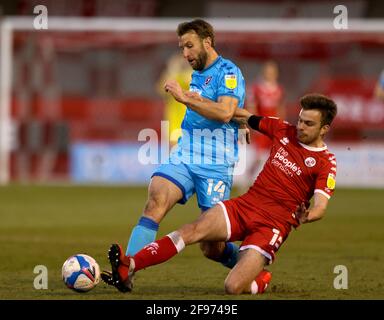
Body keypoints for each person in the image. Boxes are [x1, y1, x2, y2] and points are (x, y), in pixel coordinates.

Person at [105, 93, 338, 294]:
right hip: (245, 206)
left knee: (232, 287)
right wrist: (198, 100)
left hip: (272, 225)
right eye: (300, 120)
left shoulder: (326, 163)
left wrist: (308, 215)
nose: (300, 127)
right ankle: (130, 264)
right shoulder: (282, 129)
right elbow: (242, 115)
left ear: (324, 129)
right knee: (194, 233)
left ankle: (259, 281)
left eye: (308, 124)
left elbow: (321, 205)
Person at [101, 19, 247, 288]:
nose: (185, 54)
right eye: (182, 48)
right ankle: (127, 271)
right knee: (156, 197)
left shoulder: (229, 72)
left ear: (208, 42)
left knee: (211, 247)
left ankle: (249, 264)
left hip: (216, 163)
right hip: (186, 153)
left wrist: (185, 98)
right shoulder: (197, 73)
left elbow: (225, 112)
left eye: (189, 46)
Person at [243, 60, 285, 185]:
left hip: (274, 127)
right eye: (268, 71)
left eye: (272, 71)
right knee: (259, 156)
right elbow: (252, 107)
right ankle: (248, 177)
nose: (270, 74)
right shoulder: (256, 88)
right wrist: (254, 125)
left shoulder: (279, 89)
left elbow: (280, 108)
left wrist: (282, 126)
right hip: (262, 126)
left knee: (274, 156)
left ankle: (271, 184)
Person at [156, 53, 192, 146]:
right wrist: (172, 70)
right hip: (174, 124)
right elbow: (161, 89)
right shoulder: (174, 78)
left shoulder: (192, 77)